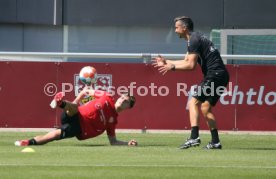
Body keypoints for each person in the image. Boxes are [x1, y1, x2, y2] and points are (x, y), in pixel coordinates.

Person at [152, 16, 229, 149]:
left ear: (184, 28)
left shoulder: (193, 40)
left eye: (177, 27)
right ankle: (215, 142)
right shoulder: (194, 38)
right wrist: (167, 62)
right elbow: (186, 61)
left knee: (193, 102)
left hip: (214, 74)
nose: (175, 30)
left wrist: (172, 68)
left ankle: (194, 137)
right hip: (221, 75)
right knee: (205, 107)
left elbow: (191, 66)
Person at [15, 88, 138, 146]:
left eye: (126, 101)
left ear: (128, 107)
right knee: (74, 108)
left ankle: (27, 142)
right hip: (74, 113)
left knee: (54, 135)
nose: (122, 101)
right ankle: (61, 103)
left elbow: (113, 141)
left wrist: (128, 143)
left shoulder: (113, 121)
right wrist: (76, 101)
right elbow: (86, 90)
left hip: (79, 128)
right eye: (122, 97)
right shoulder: (107, 96)